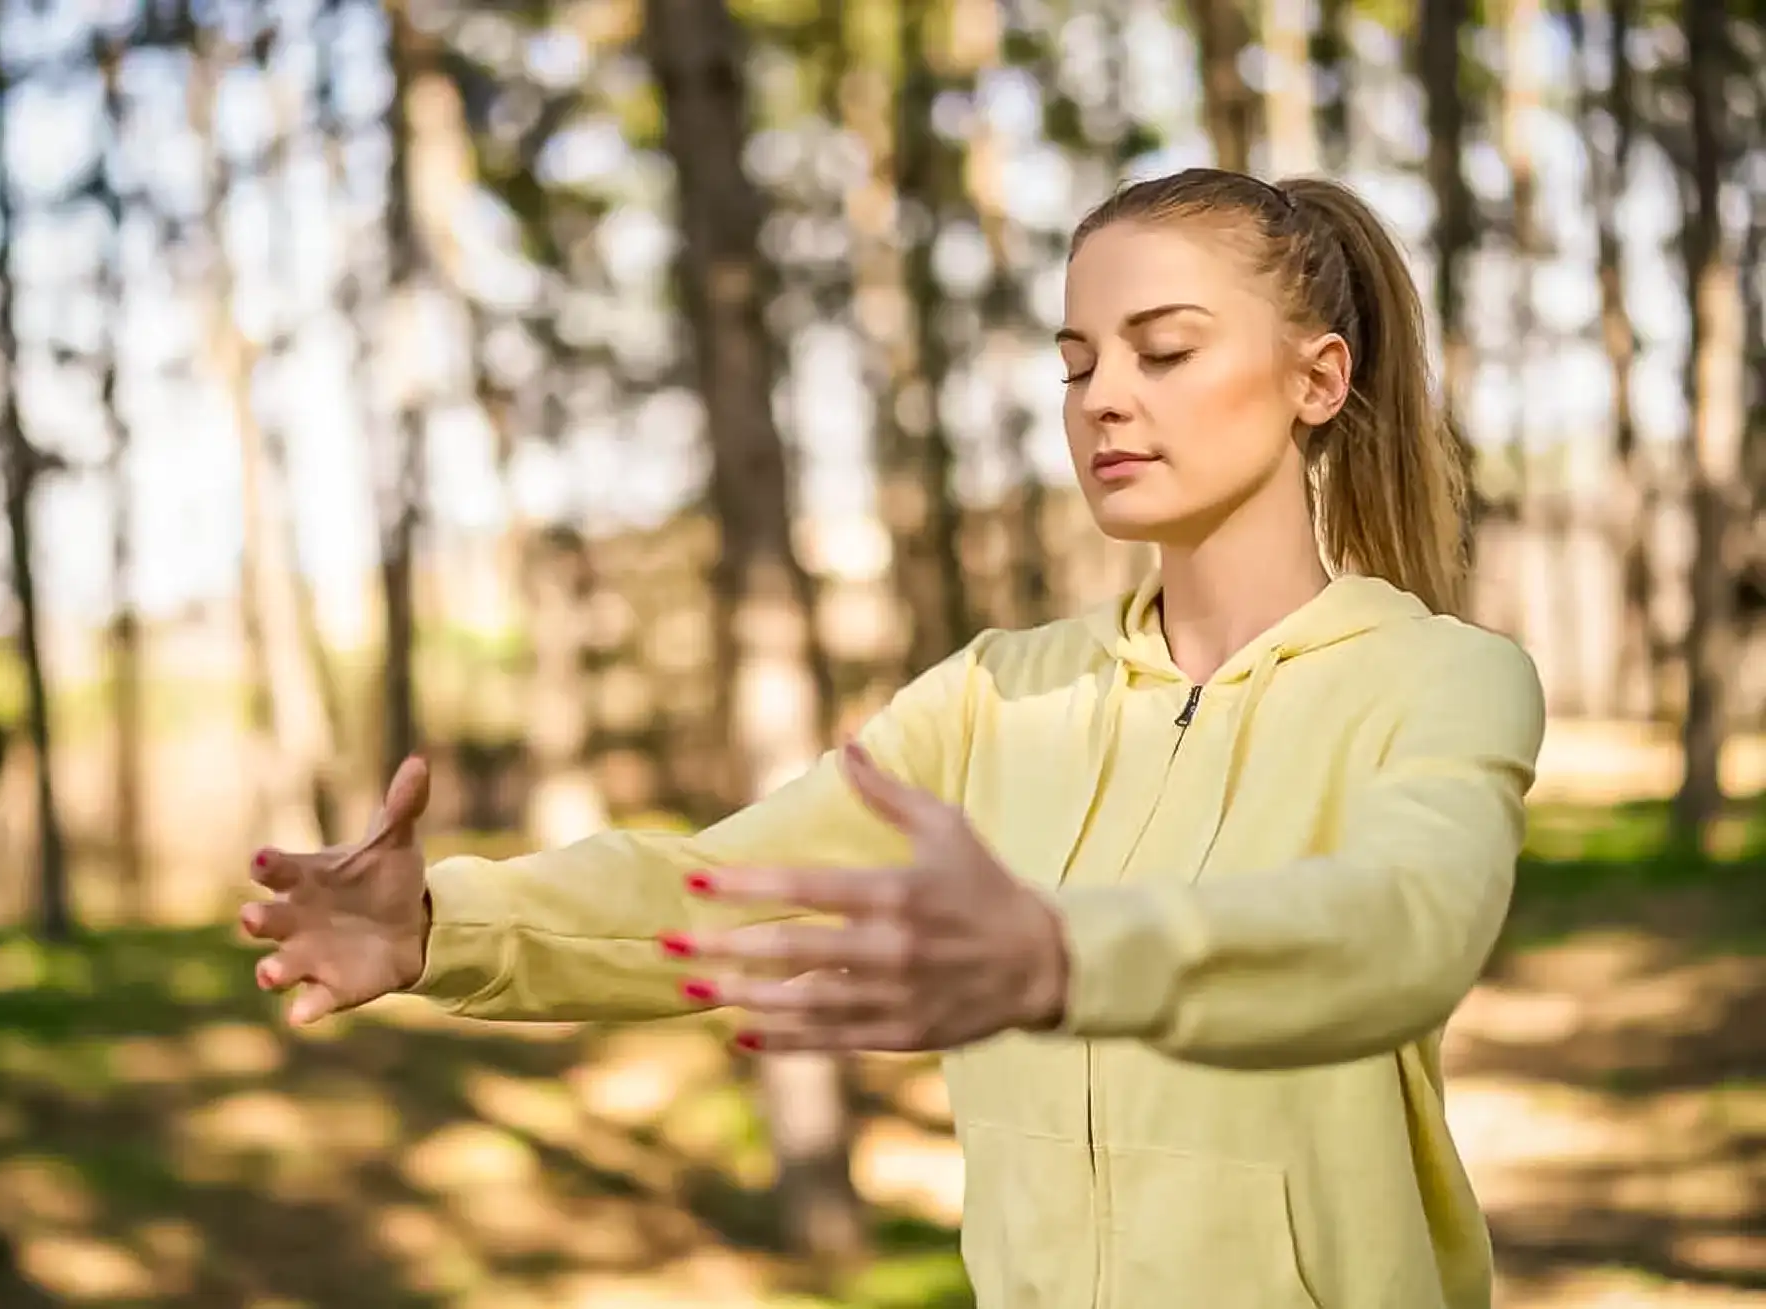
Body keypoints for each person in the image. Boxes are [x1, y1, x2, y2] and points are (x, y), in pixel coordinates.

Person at [242, 166, 1546, 1309]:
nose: (1101, 399)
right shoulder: (994, 694)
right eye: (1077, 361)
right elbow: (731, 890)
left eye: (1165, 350)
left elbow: (1402, 928)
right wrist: (440, 927)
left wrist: (1063, 957)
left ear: (1318, 378)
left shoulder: (1441, 680)